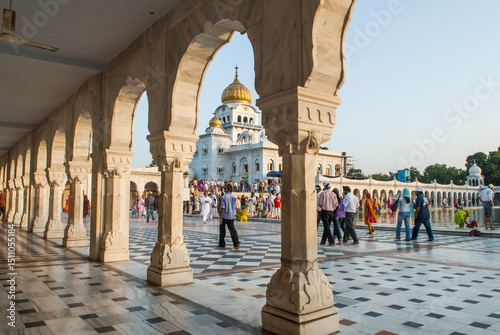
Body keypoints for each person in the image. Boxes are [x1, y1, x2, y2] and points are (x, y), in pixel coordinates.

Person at [218, 184, 240, 249]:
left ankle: (222, 243)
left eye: (225, 188)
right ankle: (236, 243)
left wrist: (221, 217)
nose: (224, 189)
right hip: (231, 215)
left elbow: (223, 207)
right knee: (232, 229)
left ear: (227, 189)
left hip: (225, 215)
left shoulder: (223, 197)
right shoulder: (234, 197)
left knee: (222, 229)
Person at [318, 181, 338, 246]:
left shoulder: (322, 194)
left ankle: (331, 241)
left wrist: (322, 206)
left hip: (324, 211)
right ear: (329, 187)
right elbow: (336, 204)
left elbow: (320, 203)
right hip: (331, 212)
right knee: (327, 226)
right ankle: (323, 241)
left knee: (326, 227)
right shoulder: (333, 194)